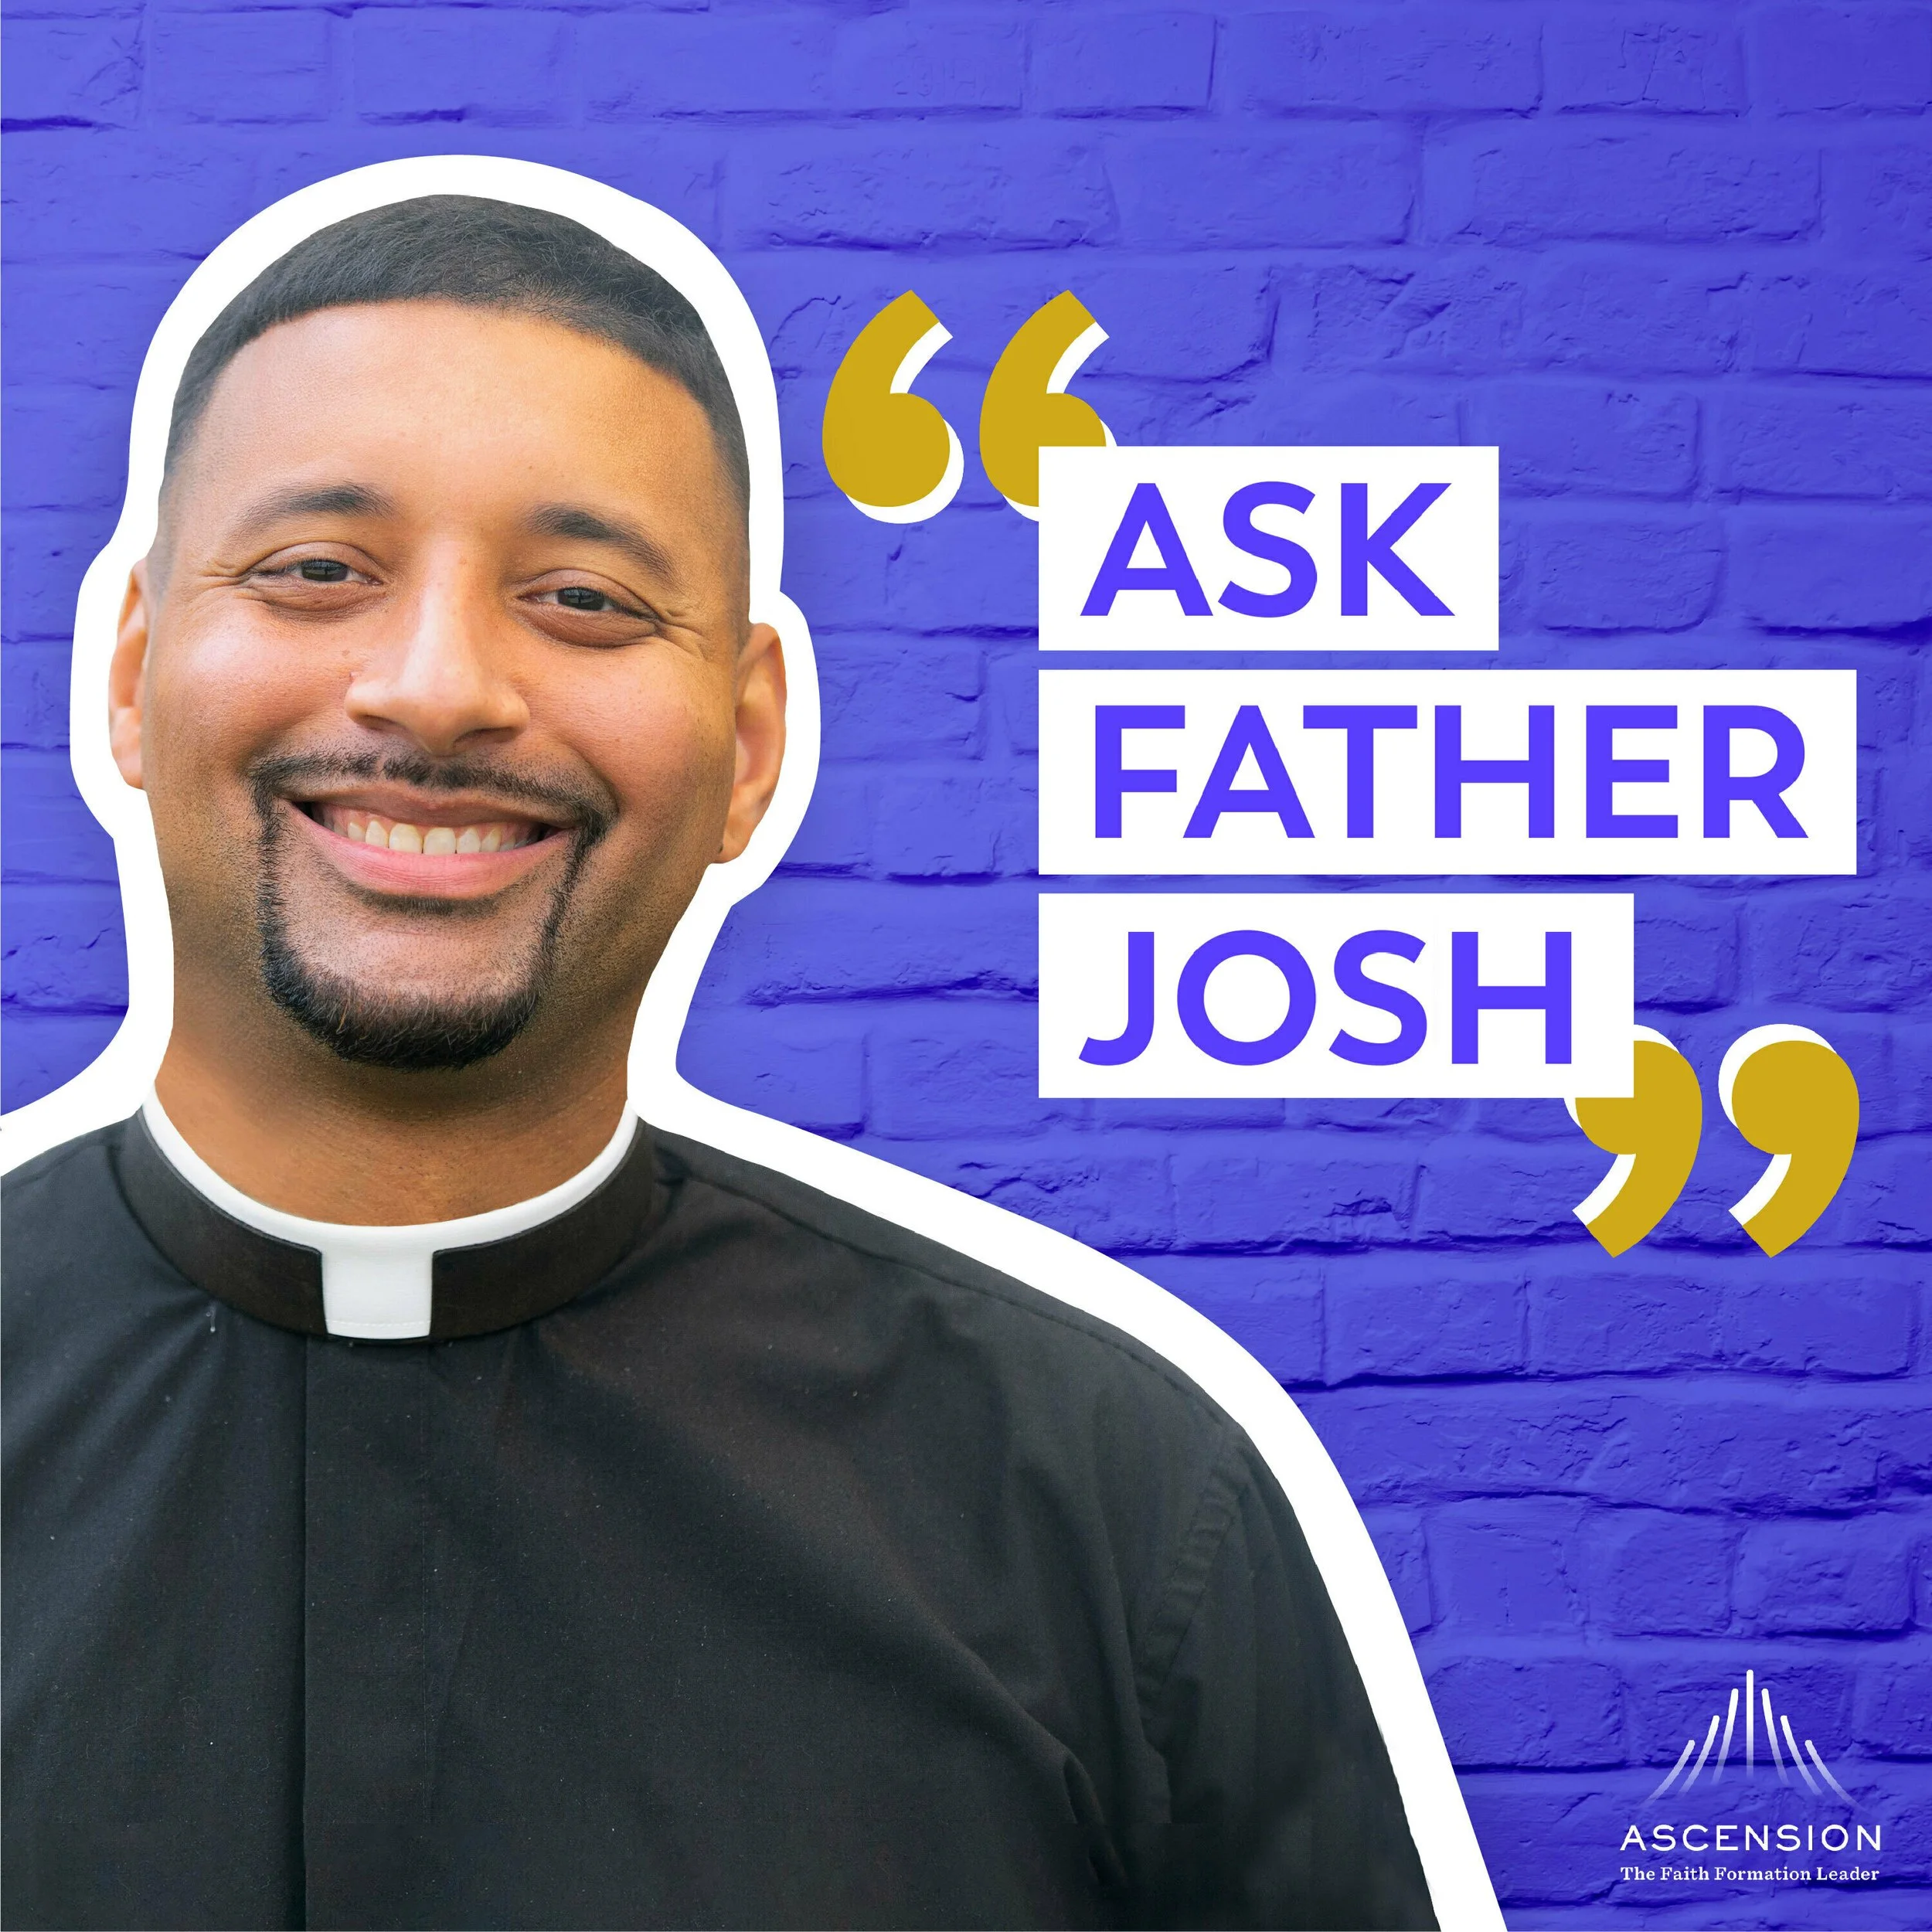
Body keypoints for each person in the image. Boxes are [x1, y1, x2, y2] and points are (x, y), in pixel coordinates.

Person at [3, 192, 1439, 1930]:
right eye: (317, 569)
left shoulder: (1112, 1515)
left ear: (751, 742)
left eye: (585, 598)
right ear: (135, 668)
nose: (440, 685)